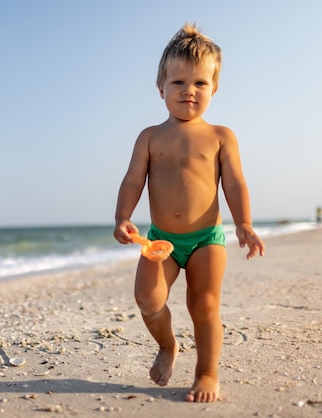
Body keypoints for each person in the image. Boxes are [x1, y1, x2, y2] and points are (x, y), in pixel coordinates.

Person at [113, 23, 265, 403]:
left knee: (204, 303)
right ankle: (168, 345)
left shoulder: (220, 136)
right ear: (160, 86)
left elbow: (235, 184)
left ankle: (207, 372)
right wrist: (122, 217)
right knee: (148, 298)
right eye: (178, 82)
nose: (188, 91)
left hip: (206, 240)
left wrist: (243, 224)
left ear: (214, 88)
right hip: (161, 238)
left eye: (199, 83)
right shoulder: (149, 136)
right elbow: (133, 180)